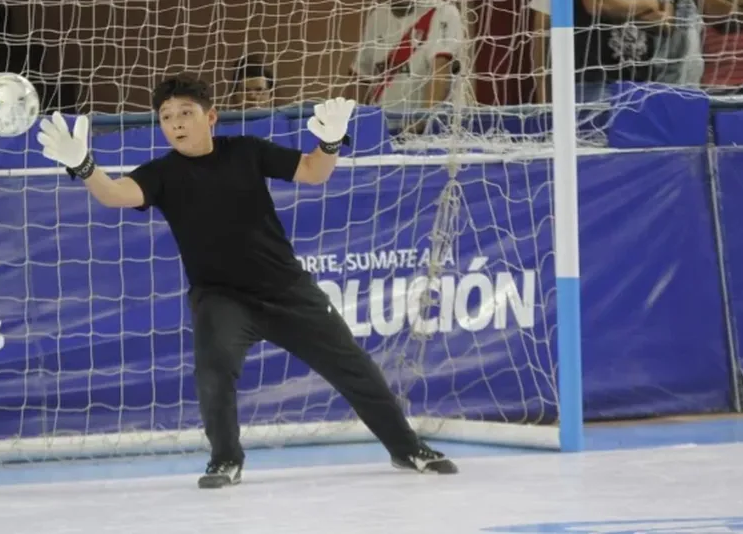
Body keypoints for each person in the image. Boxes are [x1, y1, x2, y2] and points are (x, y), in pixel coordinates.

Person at [36, 75, 458, 489]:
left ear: (211, 116)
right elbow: (114, 194)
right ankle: (225, 459)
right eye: (167, 117)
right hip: (221, 297)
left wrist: (329, 143)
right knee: (213, 370)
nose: (177, 123)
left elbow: (314, 172)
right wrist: (84, 165)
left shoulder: (247, 152)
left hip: (287, 290)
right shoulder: (160, 174)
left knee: (353, 367)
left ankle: (406, 448)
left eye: (186, 112)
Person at [348, 0, 471, 127]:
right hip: (386, 128)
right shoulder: (377, 17)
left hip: (434, 129)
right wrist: (350, 126)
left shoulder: (443, 11)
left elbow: (440, 72)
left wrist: (422, 123)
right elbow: (361, 77)